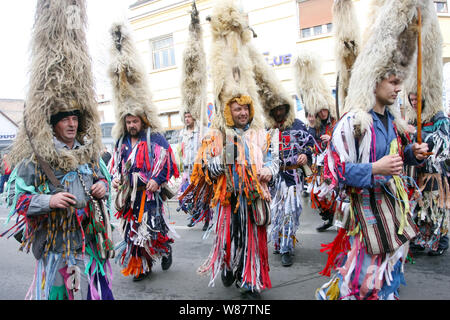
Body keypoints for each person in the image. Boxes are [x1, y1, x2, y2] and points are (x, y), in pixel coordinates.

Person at [316, 0, 429, 300]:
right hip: (364, 217)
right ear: (375, 79)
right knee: (360, 279)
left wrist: (410, 155)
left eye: (399, 83)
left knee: (386, 274)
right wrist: (374, 169)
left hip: (391, 211)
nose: (397, 89)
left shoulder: (392, 120)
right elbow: (334, 172)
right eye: (393, 82)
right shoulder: (354, 122)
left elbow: (392, 160)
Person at [2, 0, 114, 300]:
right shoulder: (36, 159)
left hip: (88, 245)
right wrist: (48, 200)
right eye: (65, 118)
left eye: (75, 118)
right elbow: (15, 200)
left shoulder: (88, 154)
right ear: (53, 124)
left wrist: (102, 186)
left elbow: (105, 184)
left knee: (93, 296)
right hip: (55, 249)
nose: (72, 123)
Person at [180, 0, 278, 299]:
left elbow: (274, 158)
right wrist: (217, 163)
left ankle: (250, 279)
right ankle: (228, 265)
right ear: (228, 110)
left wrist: (269, 169)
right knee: (227, 239)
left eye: (246, 108)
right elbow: (205, 166)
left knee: (252, 238)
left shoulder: (261, 133)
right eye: (237, 109)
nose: (243, 113)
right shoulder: (216, 134)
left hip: (253, 196)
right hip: (227, 198)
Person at [108, 22, 179, 282]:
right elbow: (116, 164)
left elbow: (166, 162)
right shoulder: (122, 141)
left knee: (153, 227)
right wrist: (116, 177)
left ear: (143, 119)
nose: (131, 125)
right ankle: (142, 265)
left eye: (134, 121)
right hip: (130, 196)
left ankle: (165, 247)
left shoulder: (155, 137)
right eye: (128, 122)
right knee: (133, 229)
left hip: (150, 194)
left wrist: (156, 180)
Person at [402, 1, 450, 257]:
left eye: (415, 98)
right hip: (418, 173)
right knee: (420, 206)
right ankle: (423, 237)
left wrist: (426, 140)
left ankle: (441, 241)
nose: (411, 101)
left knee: (435, 206)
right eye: (409, 98)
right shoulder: (410, 120)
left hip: (435, 173)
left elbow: (444, 142)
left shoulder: (439, 117)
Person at [293, 51, 338, 233]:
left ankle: (337, 217)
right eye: (319, 110)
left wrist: (332, 139)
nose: (322, 113)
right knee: (315, 193)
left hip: (333, 165)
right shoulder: (314, 127)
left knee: (333, 193)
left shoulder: (335, 123)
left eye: (324, 109)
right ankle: (327, 217)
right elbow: (310, 143)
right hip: (318, 166)